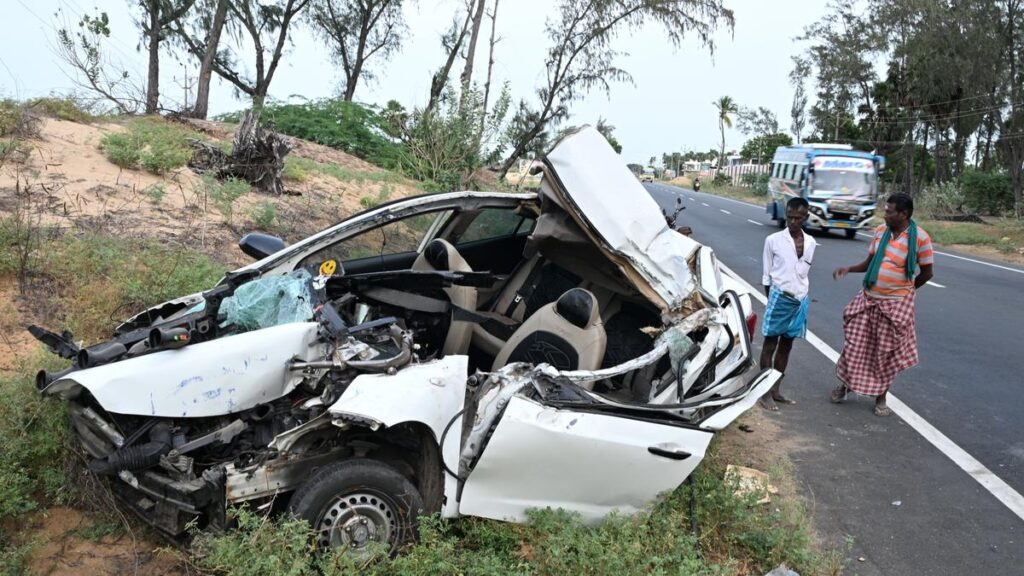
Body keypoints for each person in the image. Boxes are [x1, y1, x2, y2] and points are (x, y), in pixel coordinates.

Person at [831, 193, 934, 416]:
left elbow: (927, 272)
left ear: (903, 214)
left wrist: (905, 291)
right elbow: (869, 264)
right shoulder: (880, 233)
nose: (884, 214)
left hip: (895, 305)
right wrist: (848, 269)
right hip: (869, 297)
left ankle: (881, 397)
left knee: (884, 353)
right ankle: (846, 385)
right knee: (855, 346)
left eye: (889, 211)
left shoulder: (920, 239)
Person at [759, 196, 816, 411]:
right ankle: (764, 393)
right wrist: (771, 297)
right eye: (790, 217)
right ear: (786, 215)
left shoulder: (810, 243)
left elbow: (802, 273)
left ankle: (775, 389)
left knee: (787, 346)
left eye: (798, 218)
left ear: (806, 217)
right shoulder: (773, 240)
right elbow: (767, 275)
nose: (793, 222)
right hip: (779, 296)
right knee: (770, 344)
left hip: (800, 299)